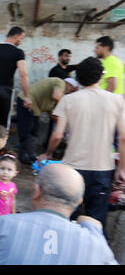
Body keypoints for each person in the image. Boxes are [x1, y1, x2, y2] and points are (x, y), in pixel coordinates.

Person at [0, 164, 118, 265]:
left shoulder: (0, 225)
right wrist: (92, 226)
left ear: (36, 191)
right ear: (79, 202)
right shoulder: (96, 245)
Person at [39, 57, 125, 229]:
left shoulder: (68, 100)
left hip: (72, 169)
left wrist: (48, 153)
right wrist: (121, 168)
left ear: (79, 78)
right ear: (100, 76)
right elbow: (123, 138)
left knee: (68, 217)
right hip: (103, 169)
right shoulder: (117, 100)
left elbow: (57, 135)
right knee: (96, 221)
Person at [0, 26, 31, 138]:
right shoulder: (18, 52)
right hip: (4, 91)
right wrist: (27, 96)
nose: (21, 41)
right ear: (16, 36)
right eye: (21, 38)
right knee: (2, 123)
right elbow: (23, 74)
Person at [16, 77, 78, 164]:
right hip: (27, 102)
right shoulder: (60, 83)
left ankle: (26, 156)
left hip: (35, 109)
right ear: (69, 84)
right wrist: (65, 108)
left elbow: (52, 114)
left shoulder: (58, 97)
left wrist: (64, 123)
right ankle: (29, 156)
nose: (70, 93)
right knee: (27, 131)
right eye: (72, 90)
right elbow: (56, 96)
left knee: (34, 132)